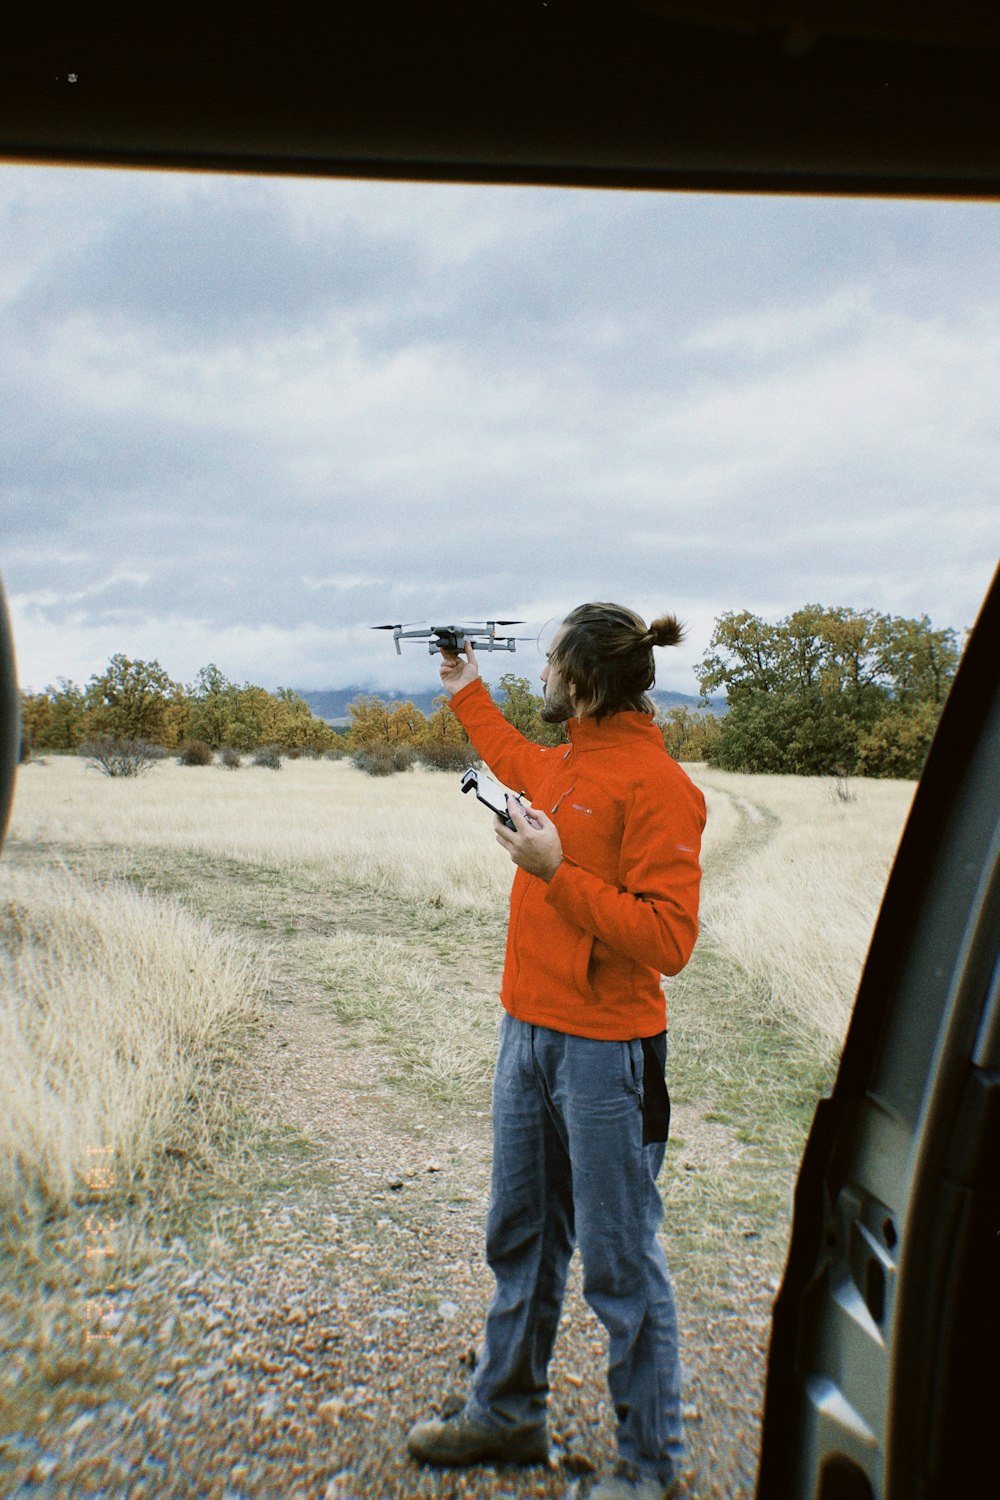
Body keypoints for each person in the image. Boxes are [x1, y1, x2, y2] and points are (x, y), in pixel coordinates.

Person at [406, 603, 706, 1500]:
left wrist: (554, 873)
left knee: (620, 1260)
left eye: (547, 665)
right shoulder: (570, 759)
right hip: (526, 1033)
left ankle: (650, 1470)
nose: (538, 675)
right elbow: (509, 754)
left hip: (608, 1056)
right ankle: (507, 1414)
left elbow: (669, 940)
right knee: (523, 1234)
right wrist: (465, 688)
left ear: (579, 681)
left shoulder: (658, 787)